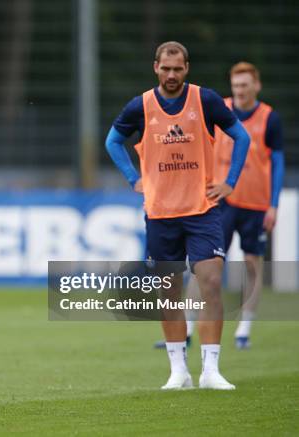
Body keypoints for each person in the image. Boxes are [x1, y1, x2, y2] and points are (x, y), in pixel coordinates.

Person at [105, 41, 250, 390]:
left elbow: (240, 137)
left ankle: (211, 370)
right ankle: (178, 371)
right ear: (156, 67)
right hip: (161, 215)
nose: (172, 75)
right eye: (165, 68)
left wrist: (229, 182)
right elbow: (112, 141)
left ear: (187, 68)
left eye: (178, 68)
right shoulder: (140, 106)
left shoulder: (207, 100)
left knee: (211, 283)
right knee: (168, 294)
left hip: (202, 210)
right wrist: (133, 178)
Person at [213, 62, 285, 349]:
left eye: (245, 85)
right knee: (206, 264)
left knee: (252, 265)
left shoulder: (269, 118)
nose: (240, 91)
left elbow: (277, 163)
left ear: (257, 85)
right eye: (236, 85)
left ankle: (244, 328)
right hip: (222, 200)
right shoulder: (219, 110)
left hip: (255, 204)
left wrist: (274, 204)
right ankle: (191, 327)